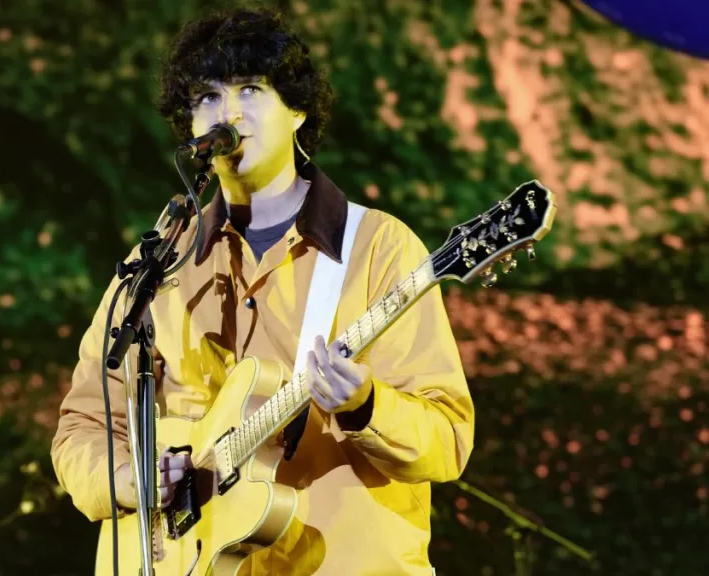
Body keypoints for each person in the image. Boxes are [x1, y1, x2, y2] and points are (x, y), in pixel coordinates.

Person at [50, 7, 474, 575]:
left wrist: (365, 406)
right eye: (206, 98)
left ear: (297, 109)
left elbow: (447, 440)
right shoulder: (160, 260)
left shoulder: (379, 247)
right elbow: (84, 425)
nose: (226, 113)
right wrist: (132, 480)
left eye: (249, 90)